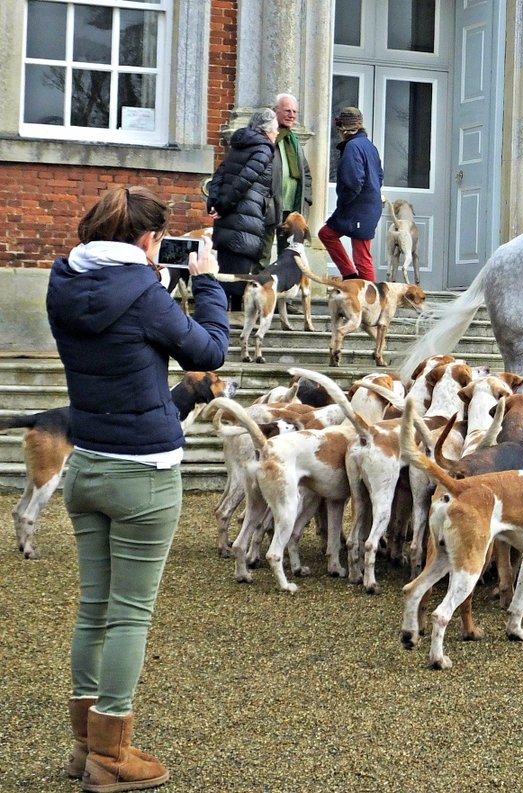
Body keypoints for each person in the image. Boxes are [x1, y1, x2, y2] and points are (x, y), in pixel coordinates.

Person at [45, 186, 228, 792]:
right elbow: (211, 350)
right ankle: (111, 756)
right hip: (143, 470)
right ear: (150, 239)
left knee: (93, 608)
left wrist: (156, 279)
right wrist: (208, 283)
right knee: (129, 616)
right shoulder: (146, 295)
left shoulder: (62, 282)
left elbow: (120, 324)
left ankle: (83, 747)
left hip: (86, 463)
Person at [208, 108, 278, 318]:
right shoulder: (263, 149)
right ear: (266, 131)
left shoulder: (239, 146)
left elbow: (219, 175)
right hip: (244, 222)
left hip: (228, 222)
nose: (276, 134)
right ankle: (232, 326)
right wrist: (222, 206)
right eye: (275, 130)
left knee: (225, 276)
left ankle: (219, 319)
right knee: (238, 281)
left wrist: (214, 203)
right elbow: (243, 182)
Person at [318, 106, 383, 282]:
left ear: (342, 128)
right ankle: (350, 277)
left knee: (362, 257)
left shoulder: (353, 147)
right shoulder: (369, 146)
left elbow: (353, 182)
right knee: (326, 234)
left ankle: (369, 297)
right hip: (367, 207)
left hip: (358, 208)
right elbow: (379, 176)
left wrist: (344, 202)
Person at [262, 93, 312, 265]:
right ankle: (261, 282)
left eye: (294, 112)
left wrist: (306, 199)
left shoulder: (294, 140)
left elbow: (306, 173)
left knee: (288, 256)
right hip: (270, 206)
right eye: (287, 111)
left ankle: (282, 282)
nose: (292, 115)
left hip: (291, 209)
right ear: (275, 111)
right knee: (262, 255)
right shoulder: (267, 139)